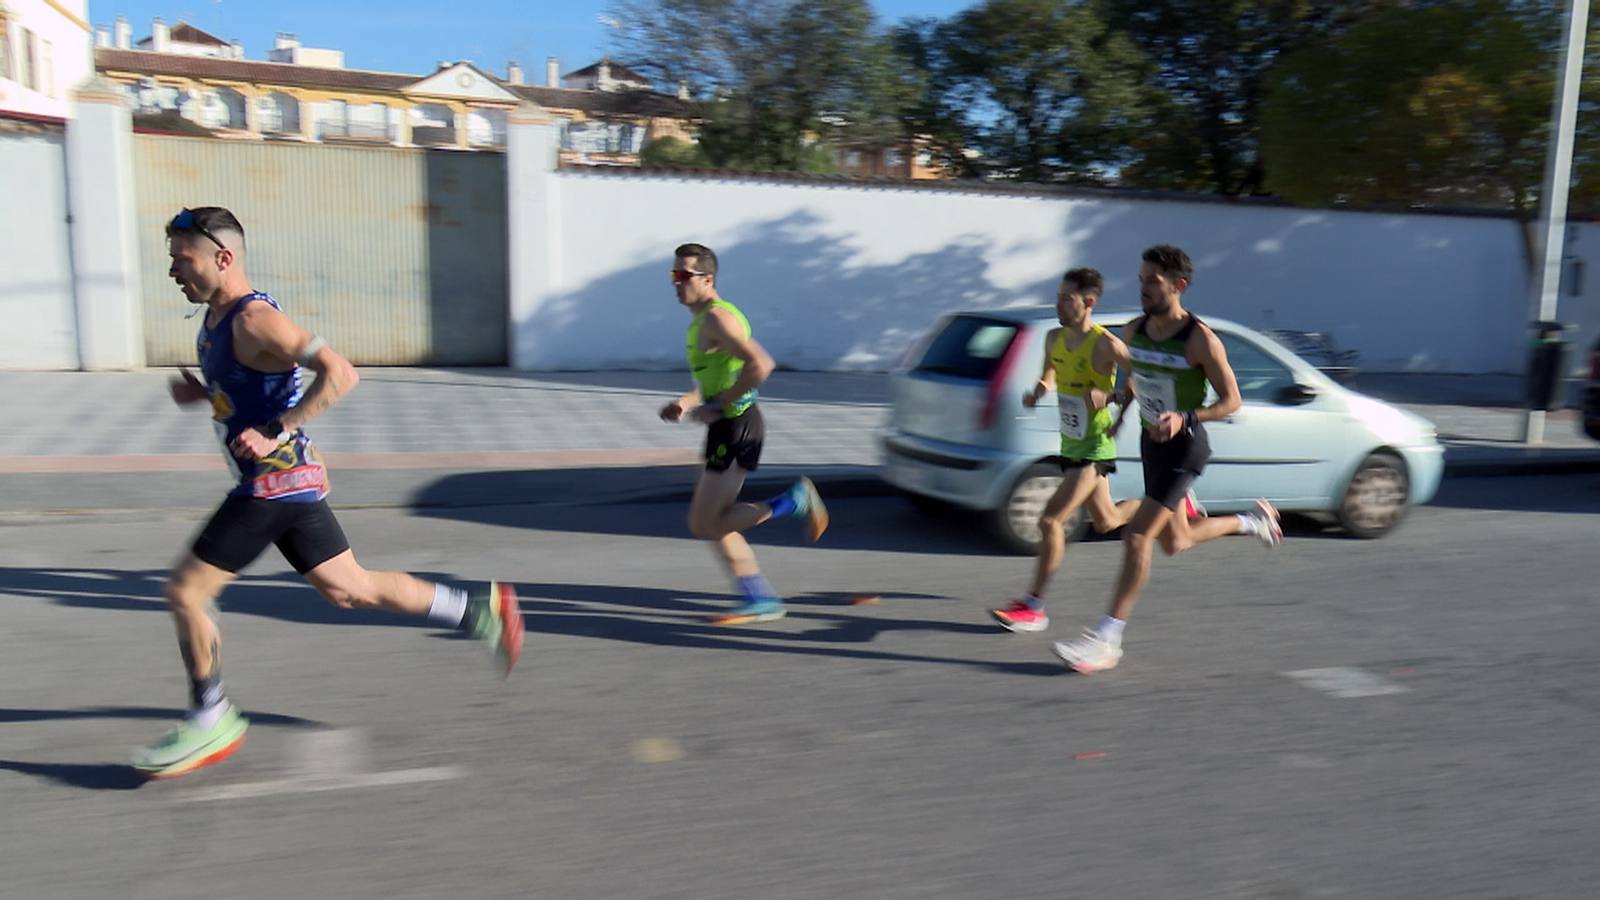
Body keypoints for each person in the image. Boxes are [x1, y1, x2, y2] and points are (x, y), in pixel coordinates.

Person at [132, 207, 525, 779]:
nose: (172, 269)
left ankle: (212, 715)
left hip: (273, 485)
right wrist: (209, 395)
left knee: (186, 593)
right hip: (288, 483)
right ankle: (477, 609)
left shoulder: (253, 319)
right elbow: (253, 386)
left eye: (181, 257)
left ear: (222, 257)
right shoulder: (217, 318)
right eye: (170, 257)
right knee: (350, 590)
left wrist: (278, 429)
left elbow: (339, 372)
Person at [1053, 244, 1281, 674]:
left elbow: (1232, 401)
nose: (1143, 289)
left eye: (1152, 282)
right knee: (1176, 542)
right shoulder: (1133, 331)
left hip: (1186, 444)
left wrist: (1187, 416)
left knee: (1137, 537)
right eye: (1140, 280)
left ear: (1179, 286)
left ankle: (1107, 638)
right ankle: (1254, 521)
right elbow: (1135, 381)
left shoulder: (1200, 340)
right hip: (1150, 441)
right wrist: (1118, 409)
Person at [658, 243, 828, 625]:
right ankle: (760, 598)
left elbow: (761, 365)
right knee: (714, 523)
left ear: (708, 279)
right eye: (674, 275)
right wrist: (687, 402)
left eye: (684, 276)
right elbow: (718, 380)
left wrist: (718, 406)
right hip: (727, 426)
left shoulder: (718, 319)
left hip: (738, 427)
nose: (676, 283)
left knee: (705, 523)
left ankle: (793, 502)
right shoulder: (702, 320)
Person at [990, 267, 1142, 633]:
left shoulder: (1107, 344)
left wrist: (1112, 396)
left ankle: (1033, 606)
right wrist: (1039, 389)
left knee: (1050, 520)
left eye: (1066, 298)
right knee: (1106, 520)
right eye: (1058, 296)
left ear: (1088, 302)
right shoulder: (1054, 338)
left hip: (1095, 446)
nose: (1058, 304)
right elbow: (1050, 373)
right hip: (1070, 442)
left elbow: (1142, 379)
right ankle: (1166, 505)